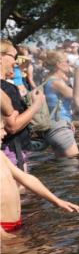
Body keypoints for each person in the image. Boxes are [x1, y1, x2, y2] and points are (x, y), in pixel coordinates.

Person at [1, 123, 79, 235]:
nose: (4, 133)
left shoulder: (1, 156)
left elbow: (26, 179)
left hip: (16, 223)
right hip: (3, 229)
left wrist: (57, 201)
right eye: (0, 129)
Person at [1, 40, 43, 171]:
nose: (16, 62)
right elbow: (12, 126)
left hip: (8, 151)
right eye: (14, 57)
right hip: (13, 151)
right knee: (19, 191)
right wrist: (36, 105)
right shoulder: (6, 88)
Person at [39, 50, 79, 157]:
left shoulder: (47, 80)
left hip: (52, 128)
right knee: (74, 165)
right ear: (58, 64)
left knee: (64, 166)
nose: (69, 64)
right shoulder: (56, 82)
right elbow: (77, 96)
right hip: (60, 128)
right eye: (66, 61)